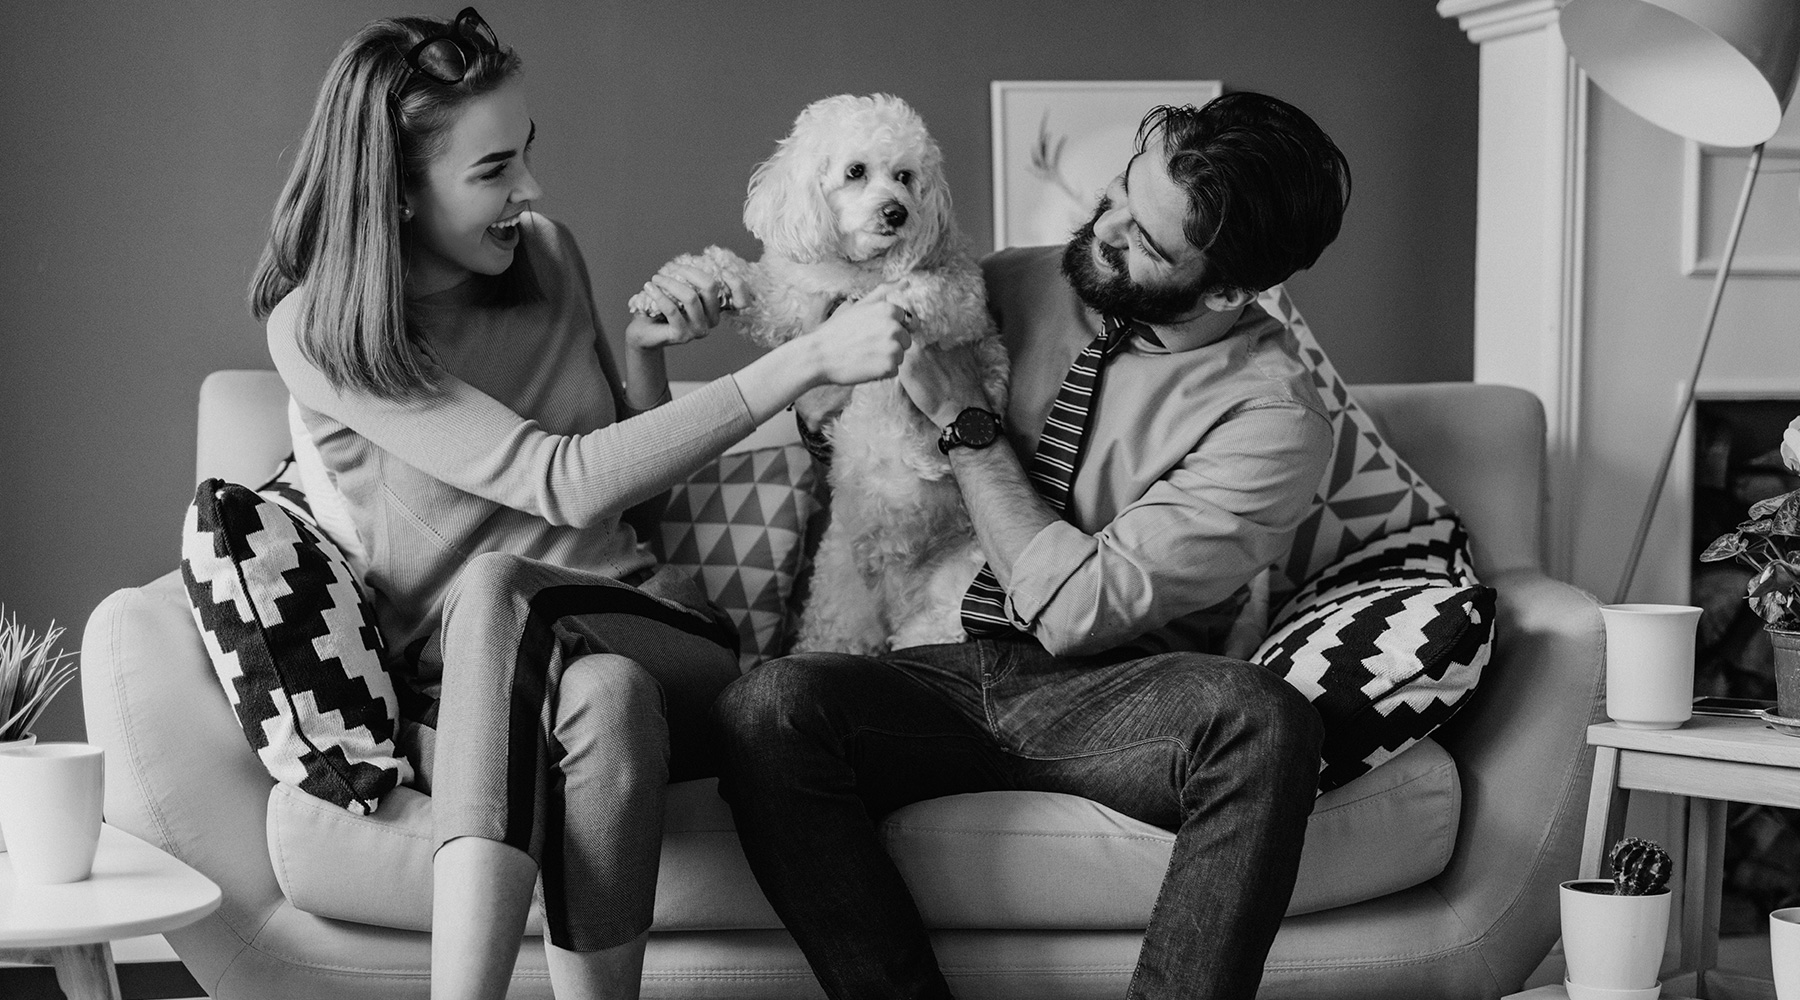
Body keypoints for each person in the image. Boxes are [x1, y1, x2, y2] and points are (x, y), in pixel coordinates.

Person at [248, 10, 912, 1000]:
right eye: (492, 172)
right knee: (596, 693)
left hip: (656, 624)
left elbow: (625, 479)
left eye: (526, 154)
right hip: (475, 685)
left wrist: (644, 351)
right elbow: (556, 476)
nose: (530, 189)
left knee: (520, 599)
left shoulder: (546, 254)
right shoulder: (323, 327)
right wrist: (806, 358)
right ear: (394, 193)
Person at [712, 91, 1352, 1000]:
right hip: (926, 667)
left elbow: (1080, 613)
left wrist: (969, 429)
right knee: (764, 707)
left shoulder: (1273, 416)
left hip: (1106, 695)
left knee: (1265, 720)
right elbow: (839, 388)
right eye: (1122, 194)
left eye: (1147, 241)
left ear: (1228, 290)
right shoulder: (1008, 282)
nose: (1107, 230)